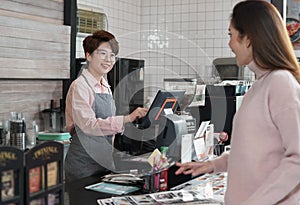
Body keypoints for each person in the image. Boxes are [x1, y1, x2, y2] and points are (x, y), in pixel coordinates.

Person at [176, 1, 300, 204]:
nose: (230, 44)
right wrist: (213, 165)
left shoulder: (280, 82)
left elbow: (297, 161)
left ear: (249, 38)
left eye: (231, 34)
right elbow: (253, 151)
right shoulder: (259, 85)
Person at [65, 30, 148, 182]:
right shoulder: (80, 86)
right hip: (83, 165)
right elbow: (88, 126)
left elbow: (107, 123)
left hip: (103, 161)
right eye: (103, 53)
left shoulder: (105, 85)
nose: (108, 60)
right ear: (88, 55)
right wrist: (127, 118)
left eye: (112, 55)